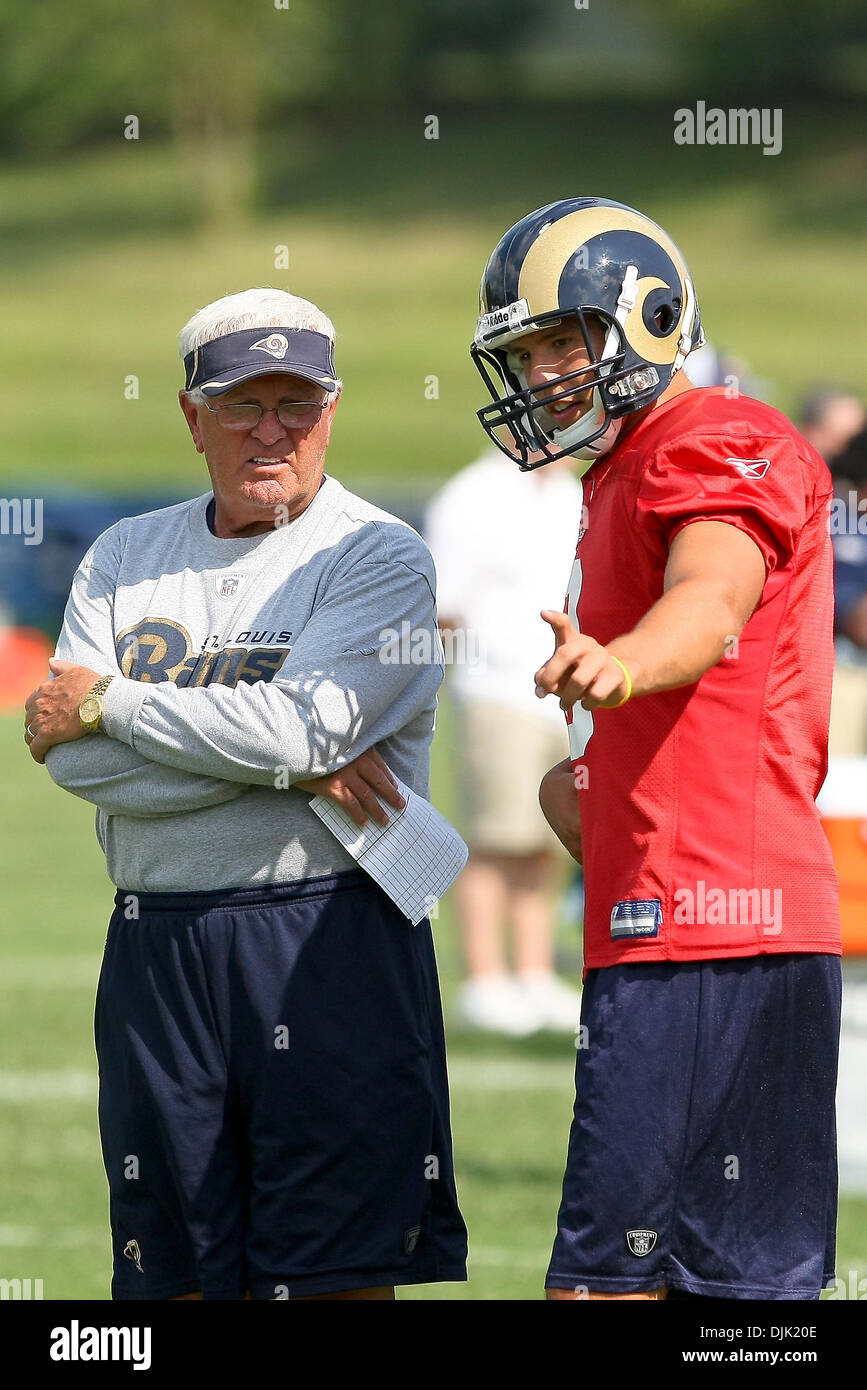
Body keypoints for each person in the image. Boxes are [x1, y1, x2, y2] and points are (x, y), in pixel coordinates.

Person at [24, 287, 467, 1301]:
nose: (273, 432)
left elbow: (304, 729)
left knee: (332, 1276)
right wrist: (283, 757)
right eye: (241, 405)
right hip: (154, 943)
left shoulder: (377, 554)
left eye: (297, 405)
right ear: (191, 416)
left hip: (325, 939)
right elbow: (69, 754)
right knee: (169, 1275)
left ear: (332, 410)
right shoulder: (125, 556)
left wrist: (117, 704)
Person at [470, 197, 841, 1300]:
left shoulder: (717, 437)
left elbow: (713, 597)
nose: (537, 378)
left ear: (647, 317)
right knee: (741, 1300)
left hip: (707, 936)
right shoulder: (621, 468)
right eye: (523, 355)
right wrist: (587, 783)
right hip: (708, 922)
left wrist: (624, 664)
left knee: (609, 1286)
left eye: (554, 346)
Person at [425, 451, 589, 1035]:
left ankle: (534, 971)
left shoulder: (575, 492)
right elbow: (443, 605)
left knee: (546, 838)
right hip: (497, 689)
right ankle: (486, 977)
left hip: (563, 693)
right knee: (496, 837)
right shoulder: (474, 496)